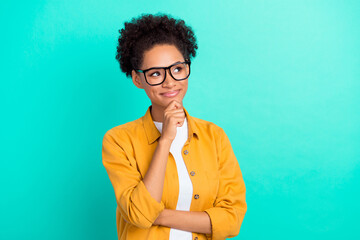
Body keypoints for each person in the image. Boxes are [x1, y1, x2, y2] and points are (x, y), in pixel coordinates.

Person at [102, 13, 247, 240]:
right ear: (138, 79)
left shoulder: (215, 136)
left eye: (178, 69)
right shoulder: (119, 140)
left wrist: (158, 215)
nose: (170, 82)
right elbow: (139, 216)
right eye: (156, 73)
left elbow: (231, 219)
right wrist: (166, 140)